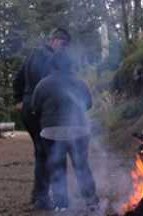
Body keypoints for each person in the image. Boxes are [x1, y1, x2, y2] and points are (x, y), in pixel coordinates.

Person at [30, 51, 98, 211]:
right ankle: (91, 202)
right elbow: (88, 104)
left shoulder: (43, 84)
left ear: (52, 66)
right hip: (78, 130)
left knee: (57, 168)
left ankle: (61, 205)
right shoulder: (80, 83)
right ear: (70, 65)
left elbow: (35, 108)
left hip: (51, 132)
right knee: (81, 166)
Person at [12, 28, 70, 210]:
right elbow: (52, 84)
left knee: (41, 151)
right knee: (50, 152)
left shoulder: (33, 54)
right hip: (40, 109)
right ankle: (45, 199)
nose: (65, 49)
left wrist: (19, 99)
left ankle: (39, 195)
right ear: (53, 40)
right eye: (64, 44)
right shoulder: (49, 58)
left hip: (29, 107)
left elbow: (17, 79)